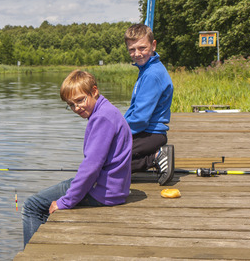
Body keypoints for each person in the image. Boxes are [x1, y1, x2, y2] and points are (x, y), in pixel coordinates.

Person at [21, 69, 132, 247]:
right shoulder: (106, 110)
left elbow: (91, 167)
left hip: (104, 192)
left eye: (80, 100)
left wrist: (65, 202)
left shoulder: (102, 118)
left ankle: (32, 255)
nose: (77, 108)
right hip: (112, 187)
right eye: (71, 105)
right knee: (58, 190)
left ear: (94, 91)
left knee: (33, 206)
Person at [123, 23, 175, 186]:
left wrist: (118, 132)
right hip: (147, 133)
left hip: (150, 134)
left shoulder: (152, 75)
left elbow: (140, 119)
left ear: (153, 45)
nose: (137, 54)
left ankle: (156, 156)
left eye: (142, 48)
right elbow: (135, 110)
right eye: (132, 49)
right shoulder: (147, 69)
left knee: (106, 163)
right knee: (106, 158)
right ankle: (154, 157)